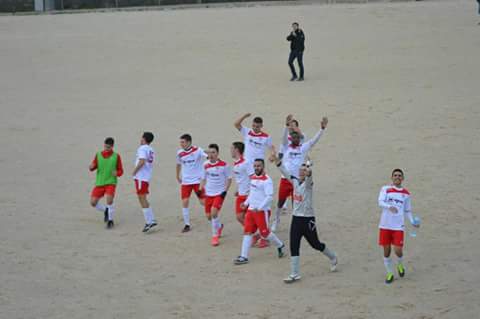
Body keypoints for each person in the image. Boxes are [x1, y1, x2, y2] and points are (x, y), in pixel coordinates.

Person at [271, 149, 337, 283]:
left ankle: (333, 257)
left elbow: (309, 179)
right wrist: (277, 161)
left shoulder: (308, 184)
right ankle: (295, 273)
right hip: (296, 218)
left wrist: (310, 173)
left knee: (315, 244)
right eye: (301, 170)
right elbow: (284, 171)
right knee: (294, 245)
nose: (302, 172)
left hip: (308, 219)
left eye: (304, 170)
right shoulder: (294, 181)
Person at [271, 116, 328, 232]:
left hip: (297, 181)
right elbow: (283, 139)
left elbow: (314, 141)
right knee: (280, 202)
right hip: (285, 178)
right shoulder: (286, 147)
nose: (295, 138)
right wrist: (286, 126)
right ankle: (276, 220)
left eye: (297, 137)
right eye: (293, 137)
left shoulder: (303, 148)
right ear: (291, 138)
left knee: (295, 204)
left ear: (300, 138)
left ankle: (294, 224)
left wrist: (322, 129)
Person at [233, 159, 285, 265]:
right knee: (247, 231)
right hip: (251, 210)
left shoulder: (267, 180)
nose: (257, 168)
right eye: (255, 166)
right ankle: (244, 256)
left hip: (261, 211)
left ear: (263, 167)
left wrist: (260, 207)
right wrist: (246, 203)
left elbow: (269, 197)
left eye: (259, 166)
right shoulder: (252, 178)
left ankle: (280, 245)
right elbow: (252, 194)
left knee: (265, 233)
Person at [378, 169, 419, 284]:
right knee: (386, 251)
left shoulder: (406, 194)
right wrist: (388, 206)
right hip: (385, 225)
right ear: (391, 177)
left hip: (398, 227)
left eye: (399, 176)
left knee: (398, 250)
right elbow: (380, 202)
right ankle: (390, 273)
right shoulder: (385, 189)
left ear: (403, 178)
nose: (397, 177)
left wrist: (412, 221)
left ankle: (400, 264)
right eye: (395, 175)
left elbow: (407, 210)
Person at [200, 144, 232, 246]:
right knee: (209, 216)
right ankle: (219, 226)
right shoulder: (205, 164)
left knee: (214, 213)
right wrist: (201, 188)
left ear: (218, 153)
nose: (211, 154)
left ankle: (215, 236)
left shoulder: (224, 165)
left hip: (219, 193)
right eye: (209, 152)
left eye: (213, 152)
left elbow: (229, 179)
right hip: (208, 193)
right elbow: (203, 178)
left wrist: (225, 192)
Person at [89, 137, 124, 229]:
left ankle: (110, 220)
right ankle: (106, 210)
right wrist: (91, 167)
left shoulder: (116, 156)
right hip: (99, 182)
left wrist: (117, 173)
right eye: (105, 146)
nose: (106, 149)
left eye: (108, 147)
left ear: (112, 146)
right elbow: (93, 167)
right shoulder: (98, 155)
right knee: (93, 203)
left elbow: (121, 171)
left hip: (110, 182)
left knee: (109, 200)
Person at [176, 134, 207, 233]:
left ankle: (213, 214)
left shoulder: (197, 150)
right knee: (185, 202)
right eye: (180, 142)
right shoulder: (179, 153)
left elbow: (207, 157)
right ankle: (187, 224)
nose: (181, 144)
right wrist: (177, 175)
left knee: (203, 202)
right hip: (186, 181)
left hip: (197, 181)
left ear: (189, 142)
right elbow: (178, 164)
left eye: (183, 142)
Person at [133, 132, 157, 233]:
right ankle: (151, 219)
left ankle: (149, 221)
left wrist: (135, 170)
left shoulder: (142, 148)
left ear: (143, 139)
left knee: (141, 198)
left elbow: (142, 161)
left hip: (141, 177)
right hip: (146, 177)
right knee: (143, 198)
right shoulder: (151, 149)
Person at [231, 142, 254, 226]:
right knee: (239, 217)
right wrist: (237, 189)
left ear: (236, 150)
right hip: (240, 194)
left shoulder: (246, 163)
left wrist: (251, 193)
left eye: (232, 149)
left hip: (247, 194)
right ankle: (253, 233)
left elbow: (252, 178)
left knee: (250, 217)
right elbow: (240, 178)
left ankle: (253, 234)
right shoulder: (236, 163)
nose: (231, 151)